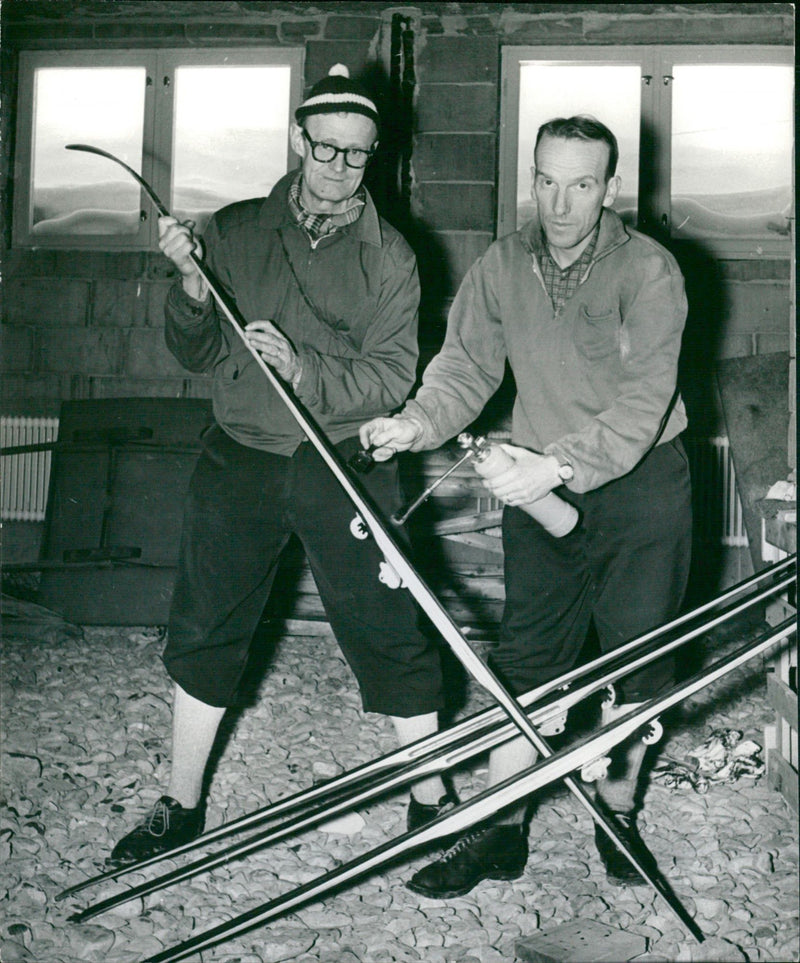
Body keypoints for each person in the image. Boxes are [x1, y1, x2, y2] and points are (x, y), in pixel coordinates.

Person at [109, 65, 454, 866]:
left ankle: (431, 793)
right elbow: (193, 353)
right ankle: (182, 802)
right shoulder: (234, 230)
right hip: (243, 455)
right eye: (325, 149)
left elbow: (390, 379)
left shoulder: (394, 258)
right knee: (205, 624)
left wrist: (303, 370)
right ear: (299, 139)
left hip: (345, 460)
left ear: (375, 156)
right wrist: (193, 286)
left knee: (389, 626)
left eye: (357, 156)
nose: (338, 170)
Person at [360, 115, 692, 898]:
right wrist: (417, 421)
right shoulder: (502, 264)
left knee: (638, 665)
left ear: (610, 188)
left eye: (582, 184)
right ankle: (500, 829)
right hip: (541, 492)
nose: (562, 202)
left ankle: (618, 812)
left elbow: (644, 402)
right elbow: (465, 366)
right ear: (532, 177)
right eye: (547, 180)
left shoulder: (651, 271)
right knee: (529, 662)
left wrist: (557, 463)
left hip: (642, 488)